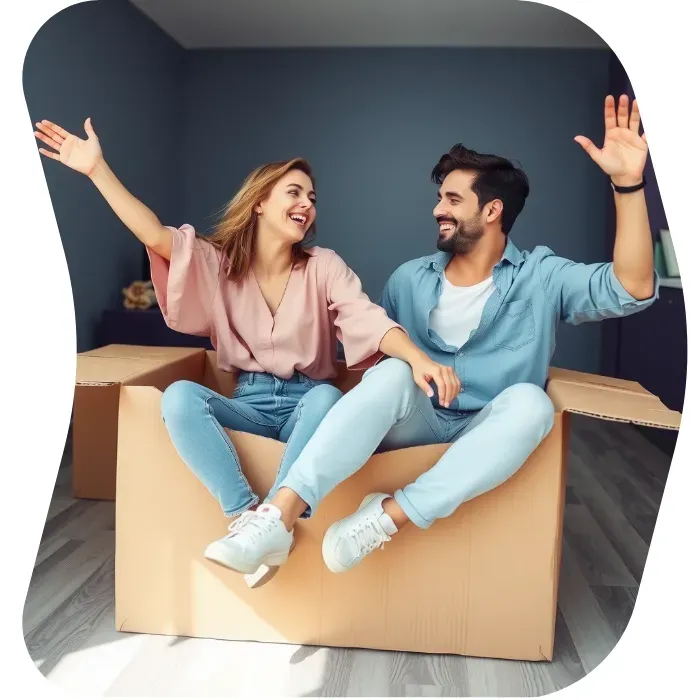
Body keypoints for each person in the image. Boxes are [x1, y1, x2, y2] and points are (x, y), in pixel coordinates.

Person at [218, 94, 658, 576]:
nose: (436, 210)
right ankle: (275, 518)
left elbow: (632, 288)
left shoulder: (542, 276)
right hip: (416, 425)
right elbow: (369, 362)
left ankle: (386, 517)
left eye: (452, 200)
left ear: (492, 211)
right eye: (439, 198)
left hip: (488, 429)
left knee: (533, 404)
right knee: (389, 377)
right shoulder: (410, 279)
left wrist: (628, 184)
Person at [33, 117, 460, 582]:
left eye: (312, 198)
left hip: (308, 404)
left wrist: (418, 359)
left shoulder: (324, 266)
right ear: (259, 203)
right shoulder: (218, 264)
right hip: (248, 405)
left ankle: (276, 520)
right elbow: (155, 235)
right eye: (294, 192)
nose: (306, 204)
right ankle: (246, 516)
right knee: (178, 396)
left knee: (326, 397)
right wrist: (97, 170)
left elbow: (367, 318)